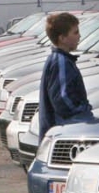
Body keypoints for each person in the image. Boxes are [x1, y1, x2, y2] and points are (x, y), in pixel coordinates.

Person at [37, 11, 94, 139]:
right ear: (62, 38)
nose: (79, 36)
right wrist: (83, 110)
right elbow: (63, 99)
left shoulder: (62, 60)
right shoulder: (61, 62)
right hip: (61, 132)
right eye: (75, 32)